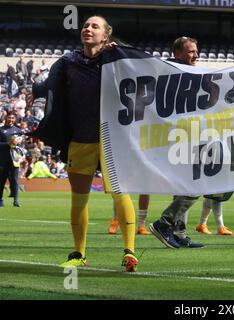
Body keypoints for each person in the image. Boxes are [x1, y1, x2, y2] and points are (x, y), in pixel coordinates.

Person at [31, 16, 138, 272]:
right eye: (85, 25)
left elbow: (143, 69)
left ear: (106, 36)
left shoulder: (117, 59)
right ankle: (79, 254)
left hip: (113, 140)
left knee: (120, 193)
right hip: (80, 139)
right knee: (79, 199)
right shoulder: (68, 62)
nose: (87, 29)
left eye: (94, 26)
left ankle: (130, 252)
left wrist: (122, 52)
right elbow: (49, 88)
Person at [149, 36, 203, 249]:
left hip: (188, 136)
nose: (195, 55)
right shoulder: (173, 74)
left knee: (185, 187)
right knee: (197, 184)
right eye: (191, 51)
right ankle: (165, 222)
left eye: (196, 51)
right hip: (178, 138)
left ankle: (179, 231)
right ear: (178, 54)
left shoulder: (190, 73)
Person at [0, 112, 23, 207]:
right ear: (6, 118)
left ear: (15, 119)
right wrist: (7, 144)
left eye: (13, 118)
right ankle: (0, 200)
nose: (11, 120)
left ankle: (16, 200)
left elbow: (20, 145)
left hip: (14, 160)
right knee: (1, 180)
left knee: (15, 180)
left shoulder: (18, 131)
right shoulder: (1, 130)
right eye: (9, 118)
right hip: (2, 159)